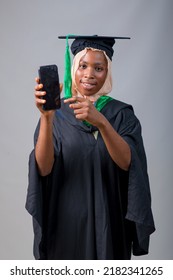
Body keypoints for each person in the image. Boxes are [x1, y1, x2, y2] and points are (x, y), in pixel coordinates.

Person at [26, 35, 155, 260]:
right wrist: (47, 119)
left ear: (108, 72)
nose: (89, 75)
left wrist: (101, 122)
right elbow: (43, 169)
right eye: (83, 66)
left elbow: (128, 162)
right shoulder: (57, 114)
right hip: (66, 225)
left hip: (110, 222)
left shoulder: (122, 115)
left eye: (99, 68)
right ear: (73, 69)